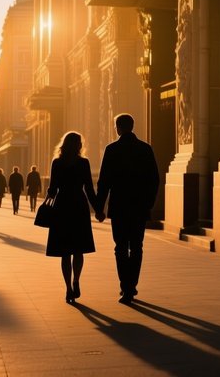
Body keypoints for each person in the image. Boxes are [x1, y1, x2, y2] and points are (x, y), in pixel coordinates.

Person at [95, 113, 160, 304]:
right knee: (137, 247)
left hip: (120, 208)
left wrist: (100, 207)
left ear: (118, 127)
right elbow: (154, 179)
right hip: (139, 208)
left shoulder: (112, 149)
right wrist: (148, 203)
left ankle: (125, 287)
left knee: (121, 247)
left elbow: (104, 181)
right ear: (132, 126)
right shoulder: (145, 149)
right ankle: (132, 285)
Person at [46, 131, 99, 304]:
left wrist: (48, 203)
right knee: (78, 248)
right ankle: (77, 280)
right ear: (78, 145)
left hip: (62, 206)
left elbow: (52, 188)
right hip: (78, 206)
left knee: (64, 251)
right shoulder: (84, 163)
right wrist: (98, 209)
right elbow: (89, 189)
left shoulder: (57, 163)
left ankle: (68, 287)